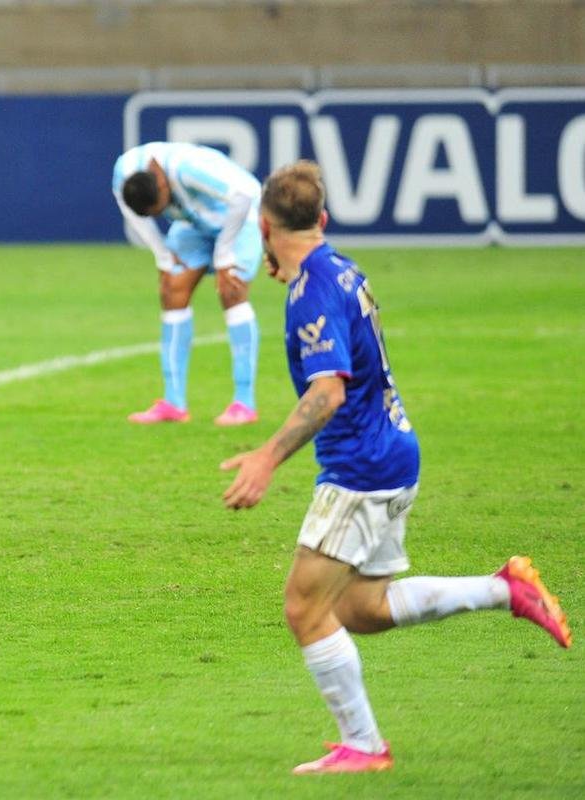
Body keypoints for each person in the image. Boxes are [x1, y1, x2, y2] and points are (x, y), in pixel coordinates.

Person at [220, 160, 572, 774]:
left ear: (265, 224)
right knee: (362, 609)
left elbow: (327, 392)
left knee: (305, 608)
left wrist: (266, 457)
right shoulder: (340, 267)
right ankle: (505, 588)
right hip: (390, 449)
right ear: (322, 220)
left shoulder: (313, 293)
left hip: (360, 466)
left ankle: (363, 745)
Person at [113, 142, 262, 426]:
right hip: (193, 223)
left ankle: (244, 402)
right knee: (171, 289)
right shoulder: (124, 175)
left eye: (162, 206)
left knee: (231, 291)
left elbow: (244, 195)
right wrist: (162, 256)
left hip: (239, 218)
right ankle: (173, 403)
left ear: (161, 181)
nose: (162, 211)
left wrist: (223, 255)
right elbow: (133, 213)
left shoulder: (189, 169)